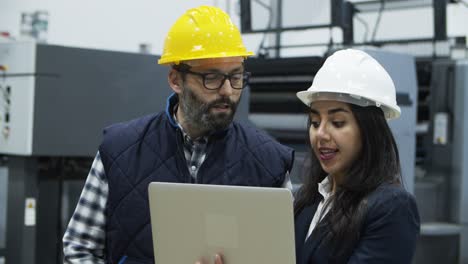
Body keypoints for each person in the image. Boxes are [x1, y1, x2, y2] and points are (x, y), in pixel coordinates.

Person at [62, 5, 294, 264]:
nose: (228, 91)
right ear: (176, 80)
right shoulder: (119, 149)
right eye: (212, 78)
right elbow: (80, 247)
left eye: (236, 77)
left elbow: (284, 256)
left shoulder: (270, 161)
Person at [199, 49, 420, 264]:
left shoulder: (392, 207)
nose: (321, 134)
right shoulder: (309, 200)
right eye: (315, 122)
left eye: (337, 123)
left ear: (370, 130)